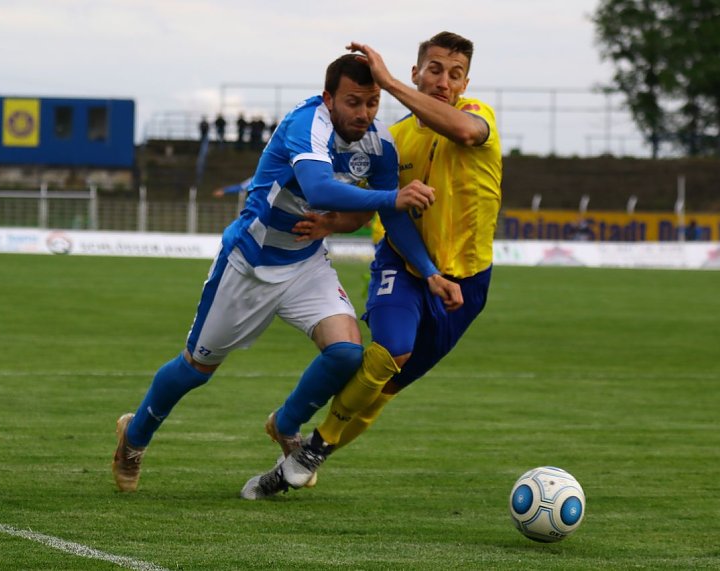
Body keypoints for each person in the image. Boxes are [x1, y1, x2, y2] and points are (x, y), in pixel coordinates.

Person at [112, 53, 461, 493]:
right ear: (328, 98)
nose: (364, 114)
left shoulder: (379, 145)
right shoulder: (306, 124)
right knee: (195, 370)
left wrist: (429, 271)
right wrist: (391, 198)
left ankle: (287, 424)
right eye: (353, 102)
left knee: (347, 353)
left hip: (306, 265)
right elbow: (320, 188)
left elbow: (395, 219)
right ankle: (134, 438)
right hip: (250, 265)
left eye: (372, 103)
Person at [243, 31, 502, 498]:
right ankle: (300, 439)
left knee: (385, 390)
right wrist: (332, 223)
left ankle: (309, 452)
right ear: (416, 73)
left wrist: (384, 79)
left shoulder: (478, 118)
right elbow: (372, 207)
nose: (444, 81)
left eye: (455, 74)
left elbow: (463, 133)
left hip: (467, 281)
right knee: (390, 351)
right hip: (402, 265)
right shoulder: (392, 139)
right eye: (435, 69)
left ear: (465, 83)